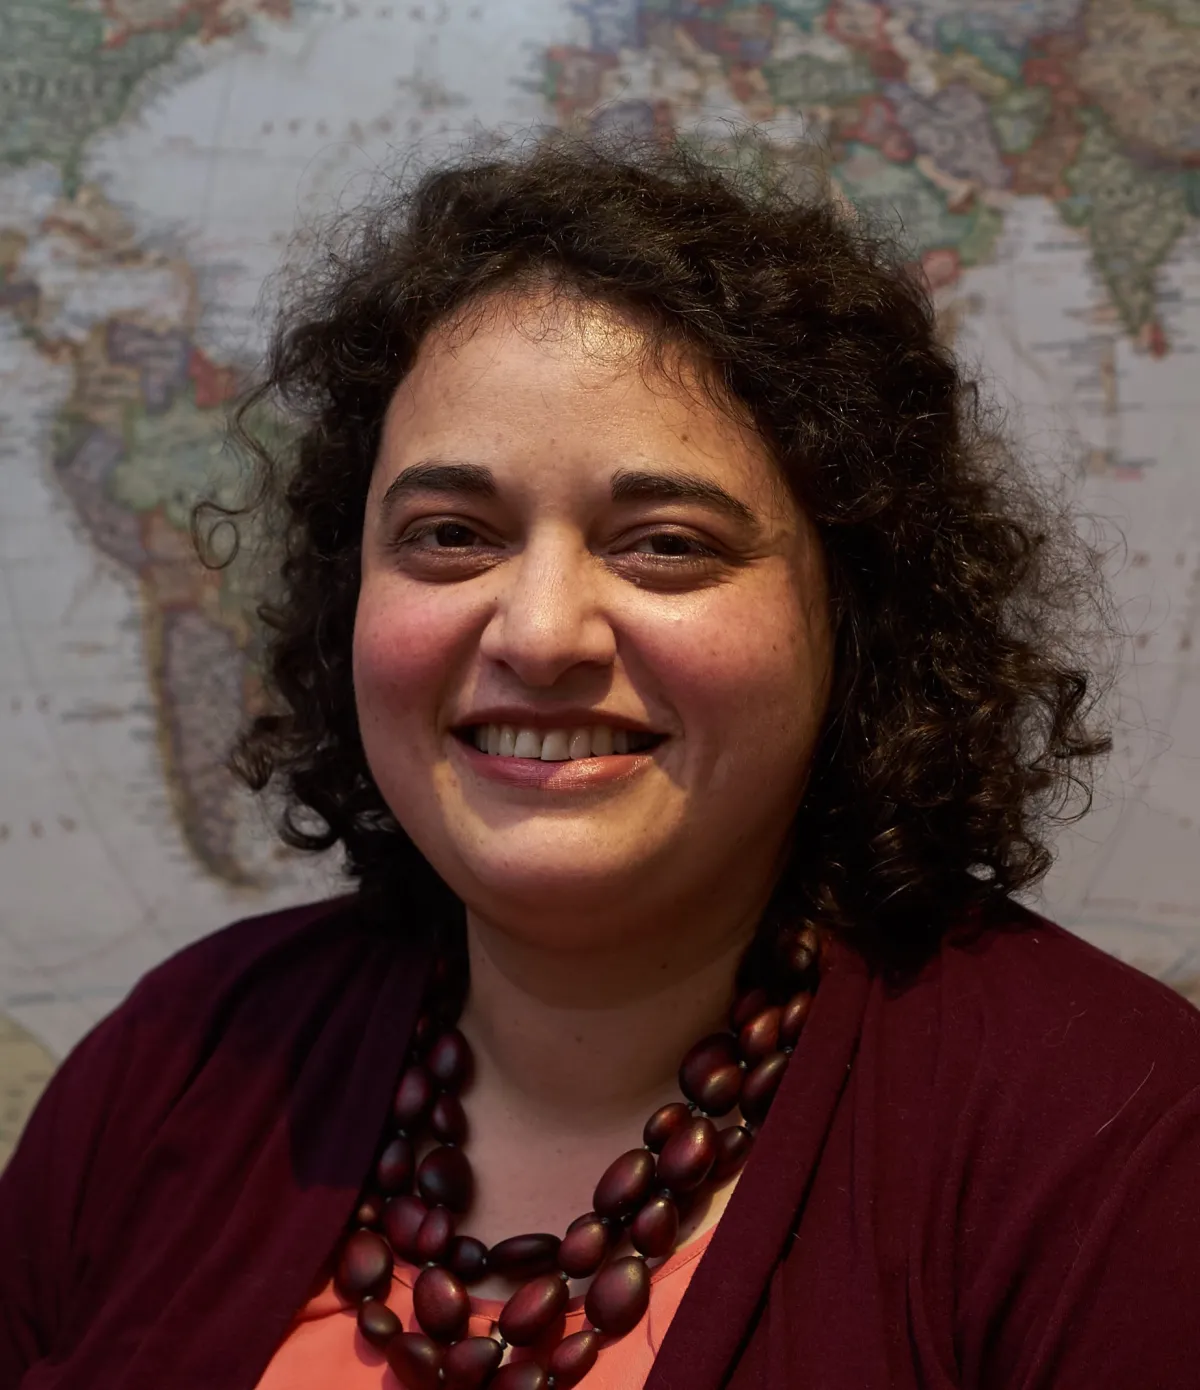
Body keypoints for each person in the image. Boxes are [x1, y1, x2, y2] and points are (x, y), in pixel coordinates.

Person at [3, 132, 1199, 1390]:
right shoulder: (177, 1066)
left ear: (853, 618)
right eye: (451, 534)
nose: (538, 633)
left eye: (667, 545)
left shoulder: (1112, 1148)